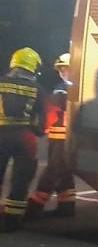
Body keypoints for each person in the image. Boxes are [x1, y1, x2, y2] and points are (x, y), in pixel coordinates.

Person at [27, 53, 75, 219]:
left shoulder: (64, 89)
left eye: (66, 68)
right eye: (61, 69)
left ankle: (34, 207)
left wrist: (40, 126)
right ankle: (67, 207)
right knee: (64, 171)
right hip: (60, 136)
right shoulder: (66, 87)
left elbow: (52, 111)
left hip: (62, 138)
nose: (63, 72)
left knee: (53, 169)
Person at [0, 47, 43, 231]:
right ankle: (12, 221)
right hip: (25, 137)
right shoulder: (37, 89)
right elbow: (42, 118)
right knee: (21, 180)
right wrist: (38, 131)